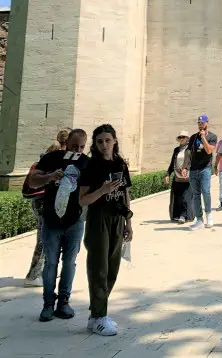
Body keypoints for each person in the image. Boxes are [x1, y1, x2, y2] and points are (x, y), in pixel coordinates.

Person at [28, 129, 88, 322]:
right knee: (51, 263)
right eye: (74, 146)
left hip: (74, 221)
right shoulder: (51, 158)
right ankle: (47, 304)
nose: (77, 150)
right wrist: (50, 176)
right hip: (52, 220)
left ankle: (64, 302)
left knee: (70, 263)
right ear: (66, 143)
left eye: (81, 147)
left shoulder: (85, 162)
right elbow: (32, 180)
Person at [80, 124, 133, 337]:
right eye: (100, 141)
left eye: (107, 141)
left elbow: (125, 192)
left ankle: (96, 315)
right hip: (98, 219)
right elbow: (83, 199)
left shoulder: (120, 163)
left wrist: (129, 221)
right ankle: (100, 316)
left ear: (114, 141)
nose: (104, 145)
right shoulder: (92, 166)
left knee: (113, 267)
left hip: (117, 218)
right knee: (98, 268)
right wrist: (102, 190)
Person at [23, 128, 72, 288]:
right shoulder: (57, 158)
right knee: (45, 238)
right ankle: (33, 275)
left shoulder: (49, 154)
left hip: (39, 201)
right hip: (44, 201)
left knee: (47, 237)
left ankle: (45, 269)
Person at [183, 115, 217, 230]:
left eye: (202, 123)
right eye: (199, 123)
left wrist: (203, 138)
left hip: (205, 169)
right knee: (196, 195)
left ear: (207, 123)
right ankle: (199, 220)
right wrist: (185, 167)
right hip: (193, 169)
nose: (200, 125)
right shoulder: (193, 137)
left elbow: (209, 150)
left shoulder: (212, 136)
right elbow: (188, 153)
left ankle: (209, 214)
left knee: (206, 192)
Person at [164, 131, 193, 223]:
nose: (181, 139)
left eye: (183, 137)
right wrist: (167, 174)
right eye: (180, 137)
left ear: (187, 138)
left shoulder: (190, 149)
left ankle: (184, 215)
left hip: (187, 177)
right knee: (178, 197)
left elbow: (192, 162)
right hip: (177, 176)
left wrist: (187, 168)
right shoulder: (176, 150)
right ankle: (178, 215)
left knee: (186, 197)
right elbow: (172, 163)